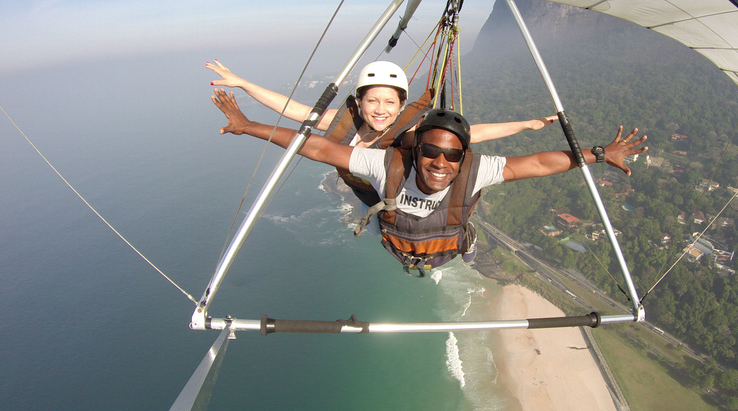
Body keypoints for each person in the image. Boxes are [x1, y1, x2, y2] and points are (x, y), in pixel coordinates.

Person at [212, 89, 648, 276]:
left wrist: (595, 154)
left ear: (464, 157)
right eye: (431, 152)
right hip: (398, 244)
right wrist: (249, 125)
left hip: (448, 249)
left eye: (452, 155)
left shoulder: (478, 170)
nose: (441, 162)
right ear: (416, 149)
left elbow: (535, 163)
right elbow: (321, 150)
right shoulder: (389, 164)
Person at [208, 59, 557, 207]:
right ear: (358, 103)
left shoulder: (411, 127)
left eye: (389, 103)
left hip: (403, 196)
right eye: (372, 101)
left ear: (400, 104)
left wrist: (526, 124)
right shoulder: (342, 121)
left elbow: (472, 134)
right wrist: (242, 82)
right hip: (364, 192)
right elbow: (293, 109)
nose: (380, 110)